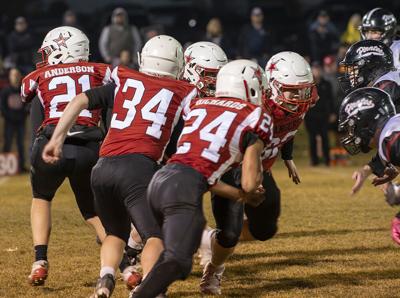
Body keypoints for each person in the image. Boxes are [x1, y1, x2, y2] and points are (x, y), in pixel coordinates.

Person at [42, 35, 198, 298]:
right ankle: (151, 290)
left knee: (115, 232)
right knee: (155, 236)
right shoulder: (184, 91)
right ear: (177, 65)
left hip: (102, 168)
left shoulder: (124, 78)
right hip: (138, 168)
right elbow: (189, 131)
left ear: (143, 58)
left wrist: (57, 139)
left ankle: (105, 280)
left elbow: (79, 100)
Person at [130, 59, 272, 298]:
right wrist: (252, 191)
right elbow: (248, 183)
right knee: (179, 260)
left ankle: (142, 283)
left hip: (162, 179)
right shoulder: (255, 116)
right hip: (184, 186)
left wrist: (240, 195)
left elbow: (207, 177)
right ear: (251, 87)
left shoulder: (200, 104)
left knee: (170, 249)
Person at [199, 51, 318, 295]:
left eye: (303, 90)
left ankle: (210, 239)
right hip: (232, 167)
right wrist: (249, 178)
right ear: (272, 87)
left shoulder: (300, 103)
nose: (299, 97)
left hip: (261, 168)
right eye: (291, 91)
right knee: (230, 233)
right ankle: (214, 268)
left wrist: (288, 157)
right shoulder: (254, 105)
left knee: (265, 229)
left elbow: (289, 129)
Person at [21, 26, 109, 286]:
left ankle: (40, 260)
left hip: (51, 144)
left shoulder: (38, 75)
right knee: (93, 211)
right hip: (89, 147)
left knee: (41, 198)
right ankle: (126, 264)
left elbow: (27, 94)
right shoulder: (101, 71)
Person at [337, 87, 400, 243]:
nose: (352, 134)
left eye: (352, 127)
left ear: (365, 123)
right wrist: (366, 171)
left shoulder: (393, 140)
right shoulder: (391, 132)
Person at [304, 62, 334, 166]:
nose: (316, 72)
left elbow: (331, 100)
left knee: (325, 137)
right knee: (312, 138)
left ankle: (327, 160)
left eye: (318, 69)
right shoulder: (308, 85)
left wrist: (332, 113)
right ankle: (314, 160)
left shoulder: (327, 84)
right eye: (314, 69)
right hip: (311, 115)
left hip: (323, 115)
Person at [0, 68, 28, 172]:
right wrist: (9, 117)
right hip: (9, 122)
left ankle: (21, 166)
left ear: (20, 76)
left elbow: (27, 104)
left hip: (20, 121)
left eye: (17, 75)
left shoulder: (23, 89)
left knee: (21, 144)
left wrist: (23, 115)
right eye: (13, 75)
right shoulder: (5, 91)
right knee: (7, 143)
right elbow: (2, 107)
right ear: (9, 77)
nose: (15, 77)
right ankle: (4, 167)